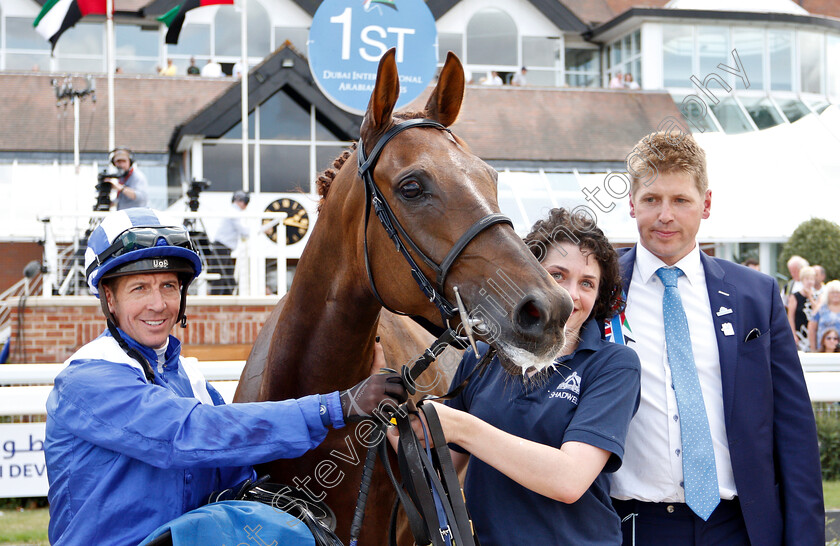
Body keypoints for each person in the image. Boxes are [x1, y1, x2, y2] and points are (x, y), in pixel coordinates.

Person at [45, 208, 406, 545]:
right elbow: (189, 433)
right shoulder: (87, 379)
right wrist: (337, 405)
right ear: (109, 298)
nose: (158, 304)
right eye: (139, 288)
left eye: (168, 286)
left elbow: (236, 458)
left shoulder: (190, 377)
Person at [609, 131, 823, 545]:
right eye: (651, 199)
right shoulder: (597, 294)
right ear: (631, 202)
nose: (665, 215)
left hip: (737, 526)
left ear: (705, 204)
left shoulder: (755, 296)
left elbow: (793, 430)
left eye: (681, 200)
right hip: (630, 526)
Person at [394, 208, 641, 545]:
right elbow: (437, 467)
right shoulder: (481, 359)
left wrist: (463, 427)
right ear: (530, 276)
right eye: (557, 275)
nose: (571, 294)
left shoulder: (613, 365)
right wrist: (391, 417)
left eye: (587, 283)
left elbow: (569, 480)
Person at [209, 191, 251, 295]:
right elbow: (244, 231)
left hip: (223, 248)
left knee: (228, 278)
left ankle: (223, 299)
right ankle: (217, 301)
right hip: (222, 248)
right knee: (221, 278)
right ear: (242, 202)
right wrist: (258, 230)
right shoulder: (234, 212)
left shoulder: (231, 211)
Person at [788, 265, 818, 351]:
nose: (809, 282)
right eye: (807, 279)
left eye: (811, 279)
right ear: (802, 280)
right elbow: (791, 317)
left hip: (814, 333)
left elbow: (817, 312)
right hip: (800, 332)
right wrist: (793, 334)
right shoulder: (795, 296)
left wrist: (810, 297)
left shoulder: (818, 295)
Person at [809, 280, 840, 353]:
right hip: (823, 350)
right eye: (832, 292)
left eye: (838, 292)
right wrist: (813, 349)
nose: (835, 295)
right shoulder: (820, 309)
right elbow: (812, 329)